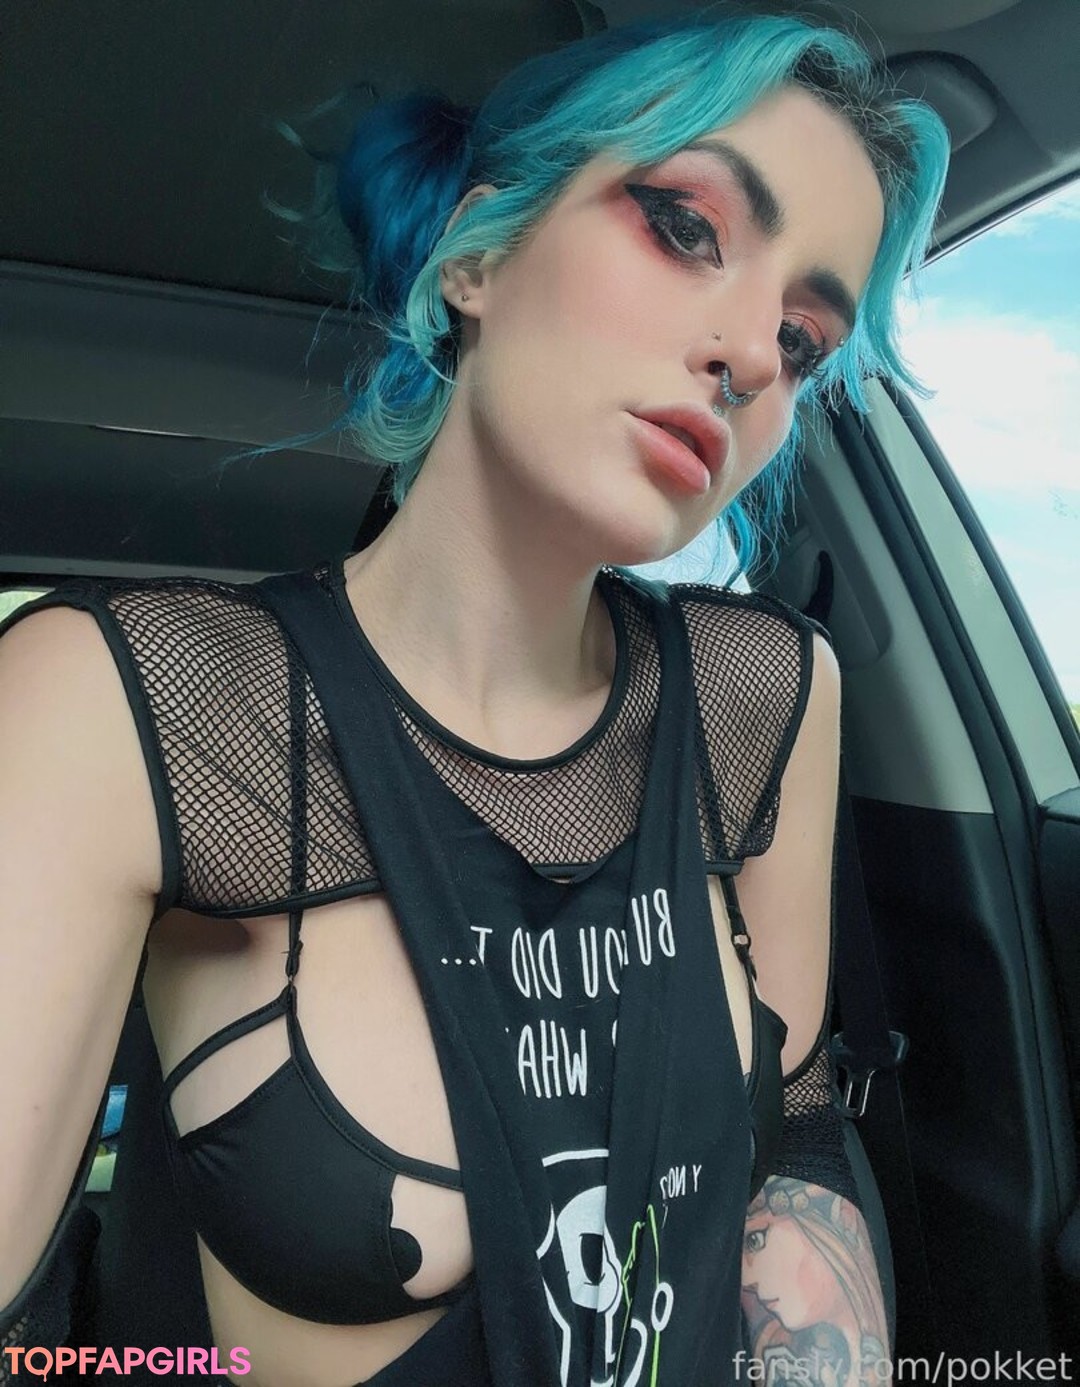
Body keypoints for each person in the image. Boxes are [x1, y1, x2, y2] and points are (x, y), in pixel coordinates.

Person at [0, 9, 949, 1386]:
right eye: (685, 228)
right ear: (478, 254)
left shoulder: (769, 694)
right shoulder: (124, 704)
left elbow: (796, 1140)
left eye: (803, 340)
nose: (753, 354)